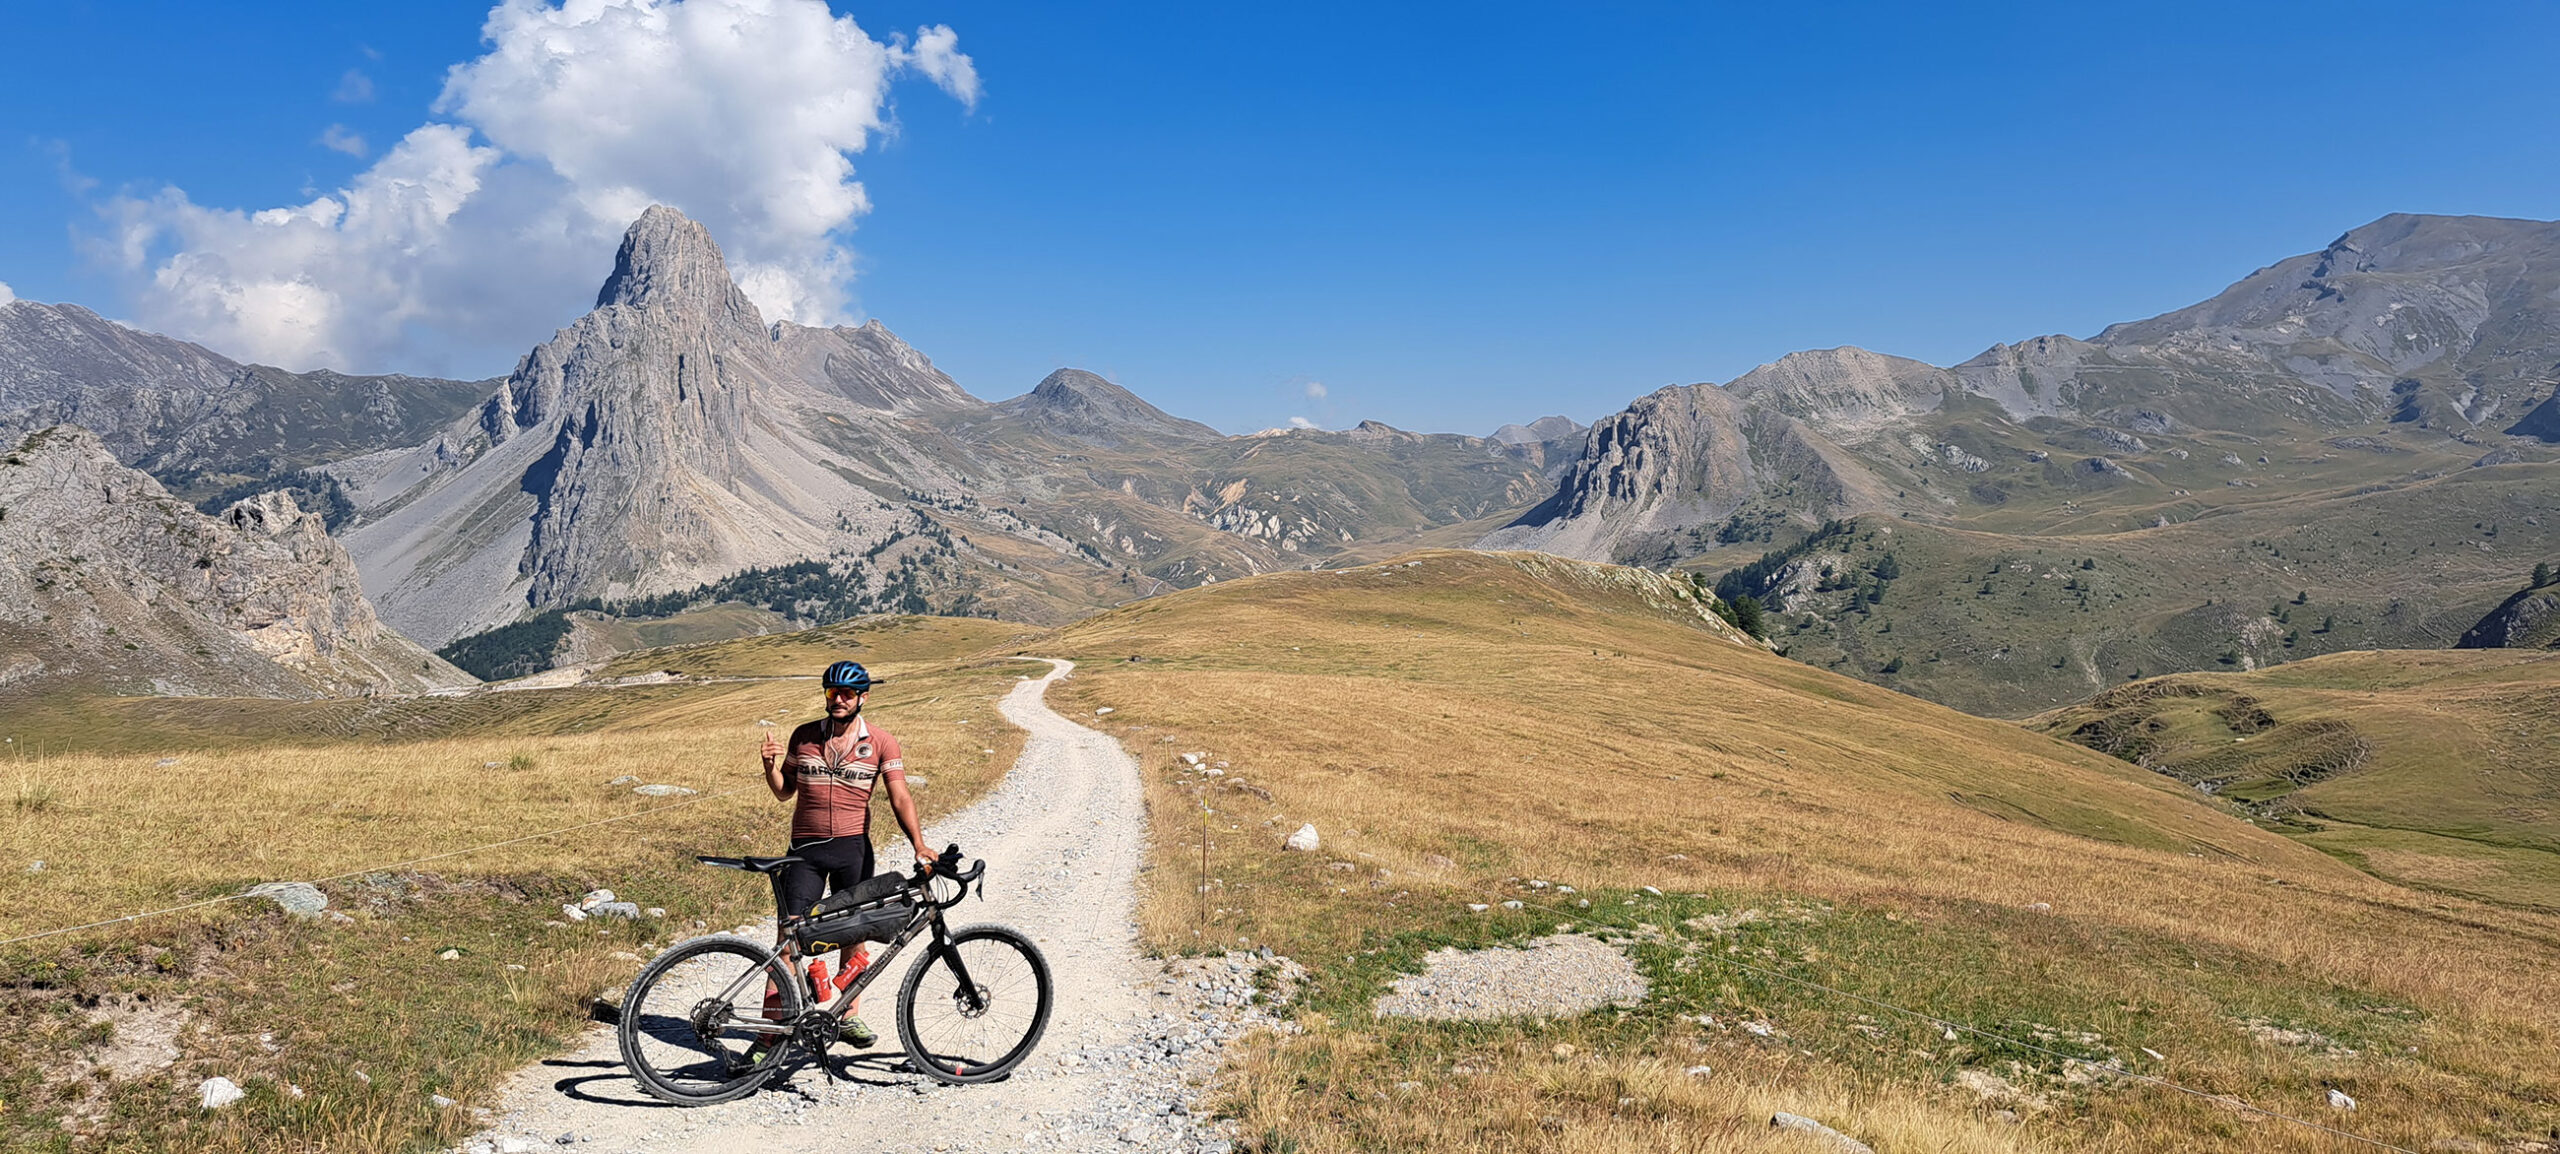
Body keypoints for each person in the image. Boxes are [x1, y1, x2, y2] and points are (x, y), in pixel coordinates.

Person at [756, 659, 934, 1048]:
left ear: (862, 698)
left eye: (846, 693)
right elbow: (785, 791)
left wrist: (918, 844)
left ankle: (849, 1016)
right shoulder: (803, 736)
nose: (837, 699)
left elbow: (899, 795)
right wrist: (769, 767)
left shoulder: (882, 742)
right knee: (788, 940)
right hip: (804, 852)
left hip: (853, 849)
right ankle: (769, 1034)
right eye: (831, 692)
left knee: (855, 934)